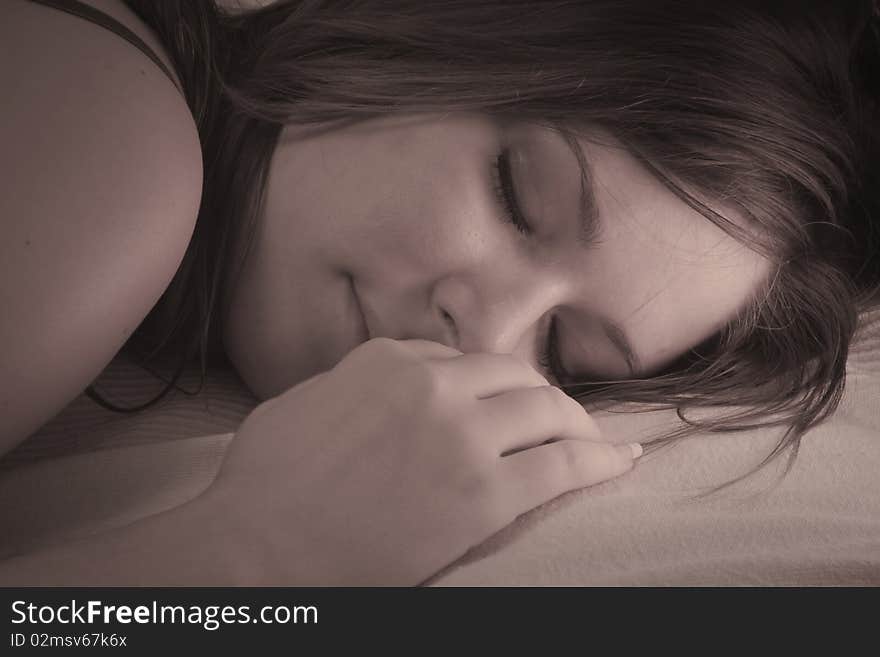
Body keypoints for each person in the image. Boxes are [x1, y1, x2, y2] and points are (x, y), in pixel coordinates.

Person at [0, 0, 877, 585]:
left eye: (562, 350)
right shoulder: (116, 143)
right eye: (515, 195)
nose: (486, 334)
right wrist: (260, 548)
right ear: (421, 28)